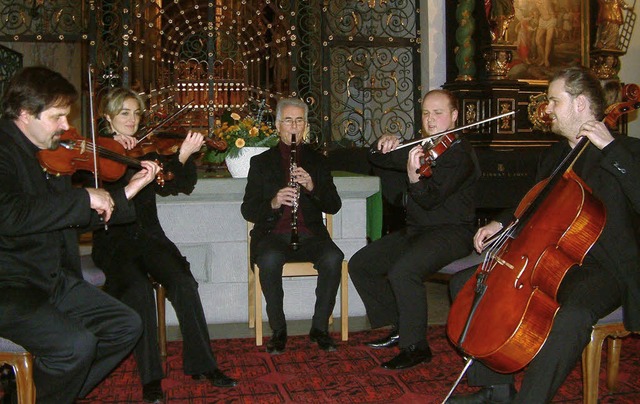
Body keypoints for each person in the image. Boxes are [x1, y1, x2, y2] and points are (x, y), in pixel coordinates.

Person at [446, 66, 640, 403]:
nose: (546, 108)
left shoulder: (625, 150)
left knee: (574, 315)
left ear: (580, 104)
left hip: (604, 270)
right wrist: (500, 223)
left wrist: (610, 149)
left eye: (554, 100)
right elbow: (531, 203)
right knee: (465, 284)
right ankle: (496, 389)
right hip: (550, 259)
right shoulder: (553, 155)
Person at [0, 66, 161, 403]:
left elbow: (70, 219)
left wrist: (128, 190)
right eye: (57, 116)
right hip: (10, 285)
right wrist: (82, 196)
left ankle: (40, 396)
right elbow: (9, 215)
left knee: (126, 325)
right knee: (77, 345)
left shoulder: (50, 152)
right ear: (25, 114)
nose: (65, 126)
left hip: (52, 278)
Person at [91, 88, 237, 403]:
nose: (132, 120)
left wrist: (182, 156)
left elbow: (178, 186)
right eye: (124, 114)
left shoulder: (148, 150)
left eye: (135, 113)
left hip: (150, 238)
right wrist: (117, 152)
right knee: (139, 292)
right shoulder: (95, 153)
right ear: (108, 118)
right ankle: (151, 378)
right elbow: (94, 201)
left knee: (184, 282)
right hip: (113, 242)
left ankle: (203, 364)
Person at [348, 89, 481, 370]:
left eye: (438, 113)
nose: (431, 120)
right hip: (419, 231)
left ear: (455, 116)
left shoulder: (460, 155)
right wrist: (382, 143)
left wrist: (413, 178)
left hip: (452, 233)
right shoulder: (422, 147)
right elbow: (378, 158)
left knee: (403, 270)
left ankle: (416, 346)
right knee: (362, 264)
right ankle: (399, 325)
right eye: (426, 113)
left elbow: (430, 200)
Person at [241, 97, 344, 354]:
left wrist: (311, 187)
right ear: (278, 125)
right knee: (270, 260)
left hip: (309, 235)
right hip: (273, 235)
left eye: (299, 120)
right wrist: (274, 201)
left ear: (305, 125)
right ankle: (279, 330)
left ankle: (319, 328)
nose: (294, 126)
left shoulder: (318, 161)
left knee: (334, 257)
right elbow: (248, 209)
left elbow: (333, 205)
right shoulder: (261, 163)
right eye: (288, 120)